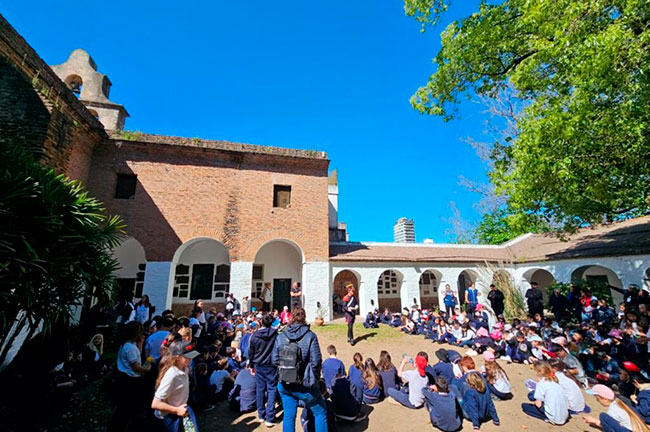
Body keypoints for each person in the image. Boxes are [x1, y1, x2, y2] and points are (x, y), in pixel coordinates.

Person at [272, 307, 327, 432]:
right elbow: (316, 361)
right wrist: (314, 378)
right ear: (304, 317)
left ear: (291, 317)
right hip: (304, 385)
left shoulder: (281, 336)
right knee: (320, 412)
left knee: (288, 416)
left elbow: (274, 360)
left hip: (285, 383)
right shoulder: (310, 336)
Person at [109, 321, 151, 432]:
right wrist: (147, 369)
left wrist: (140, 345)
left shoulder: (128, 345)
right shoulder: (130, 348)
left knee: (126, 408)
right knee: (128, 408)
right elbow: (136, 367)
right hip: (131, 380)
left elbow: (137, 357)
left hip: (127, 378)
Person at [151, 341, 200, 432]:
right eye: (187, 357)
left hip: (182, 411)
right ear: (177, 357)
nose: (190, 359)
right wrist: (176, 410)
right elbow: (155, 403)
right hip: (169, 418)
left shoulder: (185, 368)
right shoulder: (172, 375)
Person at [249, 314, 279, 426]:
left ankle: (261, 414)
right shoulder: (276, 335)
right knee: (271, 389)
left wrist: (251, 365)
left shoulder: (254, 336)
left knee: (260, 389)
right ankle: (269, 417)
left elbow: (251, 352)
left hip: (259, 364)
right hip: (270, 365)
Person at [583, 384, 648, 432]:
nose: (597, 401)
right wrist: (596, 422)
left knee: (603, 417)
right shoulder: (621, 404)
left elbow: (612, 428)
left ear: (605, 399)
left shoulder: (613, 411)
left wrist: (597, 423)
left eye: (598, 399)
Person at [521, 361, 569, 425]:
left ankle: (546, 418)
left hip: (554, 417)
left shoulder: (541, 384)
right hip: (564, 415)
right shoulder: (555, 381)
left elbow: (538, 405)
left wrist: (536, 401)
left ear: (539, 372)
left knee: (525, 406)